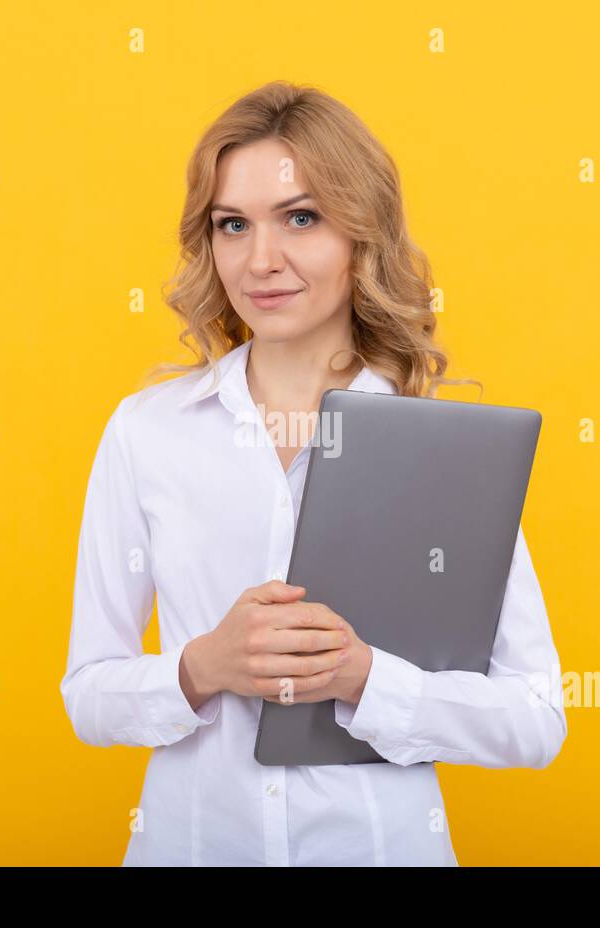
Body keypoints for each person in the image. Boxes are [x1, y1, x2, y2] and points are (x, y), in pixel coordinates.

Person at [59, 81, 567, 866]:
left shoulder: (442, 455)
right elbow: (88, 693)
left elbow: (535, 719)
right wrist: (201, 668)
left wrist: (365, 680)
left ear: (361, 235)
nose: (262, 260)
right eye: (233, 225)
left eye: (302, 217)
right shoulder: (147, 433)